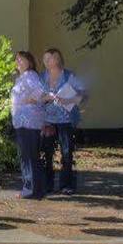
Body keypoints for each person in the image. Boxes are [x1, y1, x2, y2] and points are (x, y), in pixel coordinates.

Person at [41, 47, 87, 196]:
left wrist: (67, 99)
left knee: (67, 153)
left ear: (58, 59)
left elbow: (82, 95)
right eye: (45, 59)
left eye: (50, 58)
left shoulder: (69, 75)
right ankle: (47, 185)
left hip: (66, 120)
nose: (47, 61)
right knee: (47, 153)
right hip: (47, 121)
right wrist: (45, 98)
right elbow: (37, 97)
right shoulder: (42, 77)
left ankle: (66, 185)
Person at [10, 49, 53, 200]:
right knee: (28, 156)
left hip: (28, 121)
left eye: (21, 59)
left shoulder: (30, 76)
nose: (18, 62)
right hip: (23, 121)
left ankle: (31, 190)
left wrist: (30, 100)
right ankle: (36, 189)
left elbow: (40, 92)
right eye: (17, 59)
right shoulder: (22, 78)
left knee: (28, 156)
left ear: (29, 62)